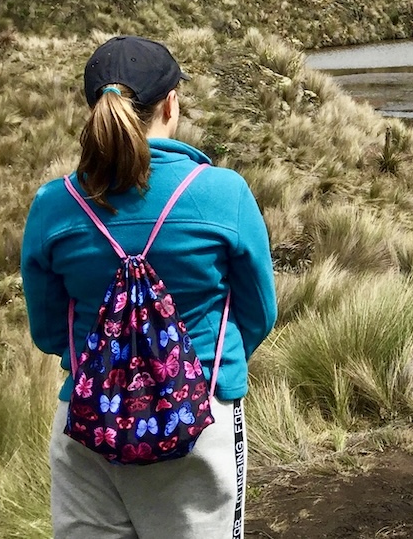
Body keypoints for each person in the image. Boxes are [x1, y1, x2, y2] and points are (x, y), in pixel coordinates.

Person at [21, 36, 278, 538]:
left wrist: (112, 364)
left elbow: (51, 331)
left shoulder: (54, 205)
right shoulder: (223, 194)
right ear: (170, 102)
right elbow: (257, 312)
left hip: (88, 420)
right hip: (197, 417)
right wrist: (203, 362)